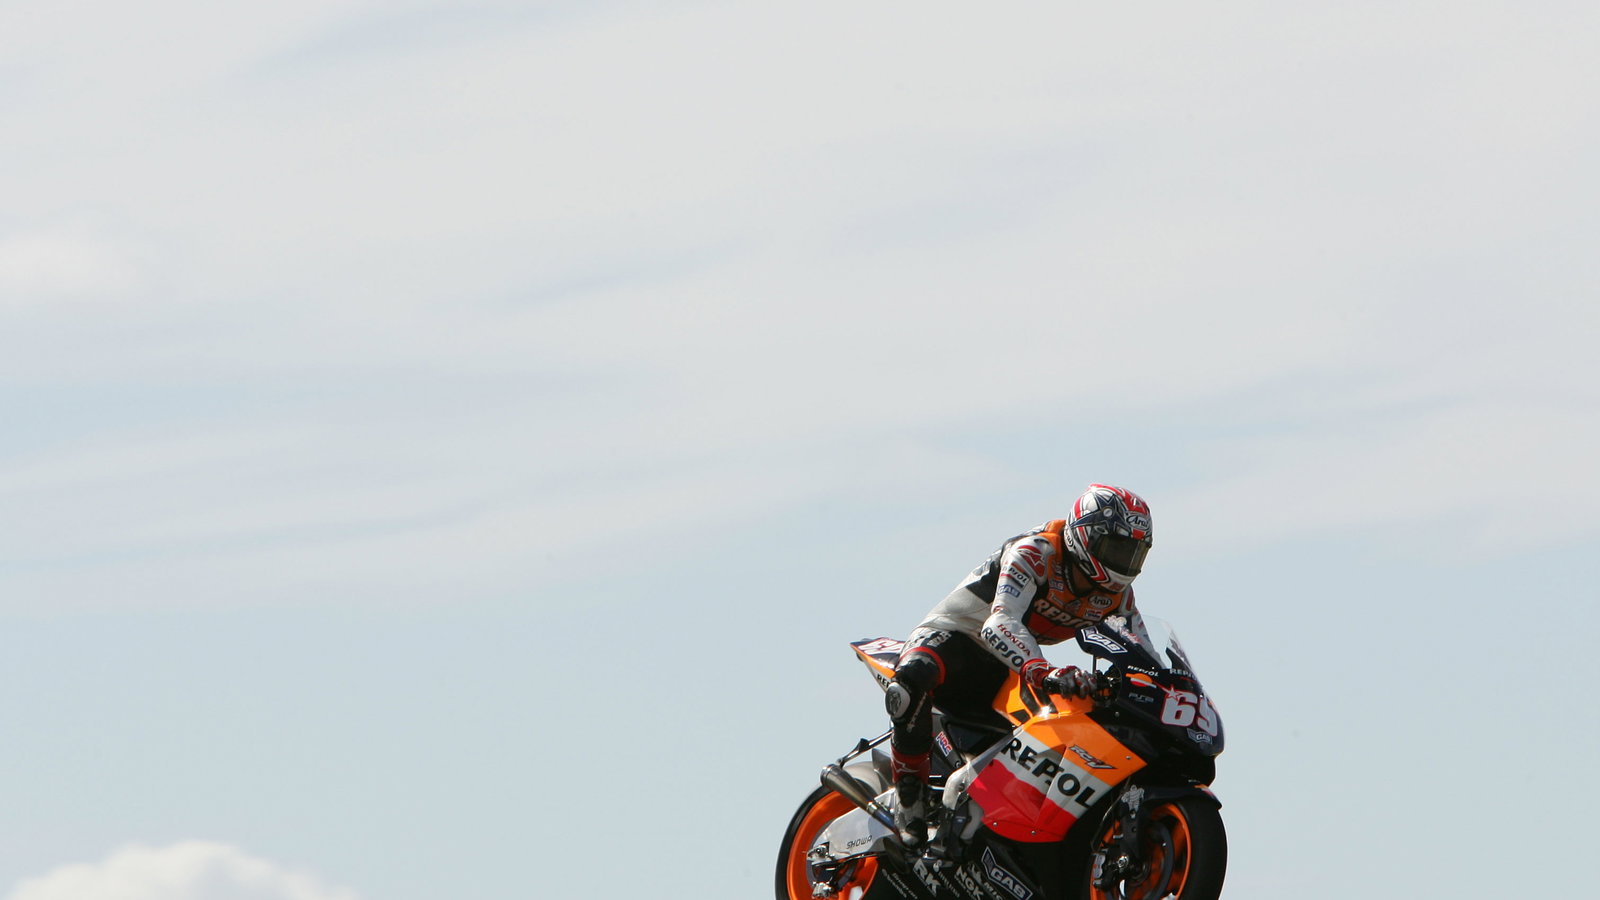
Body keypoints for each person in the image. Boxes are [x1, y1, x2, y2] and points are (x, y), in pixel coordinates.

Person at [884, 484, 1154, 845]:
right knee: (912, 680)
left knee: (1037, 752)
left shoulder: (1117, 597)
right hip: (957, 637)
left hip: (1007, 667)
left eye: (1134, 552)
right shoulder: (1036, 552)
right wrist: (1045, 671)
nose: (1124, 562)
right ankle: (908, 802)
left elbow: (1142, 657)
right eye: (1117, 548)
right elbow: (1000, 624)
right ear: (1086, 536)